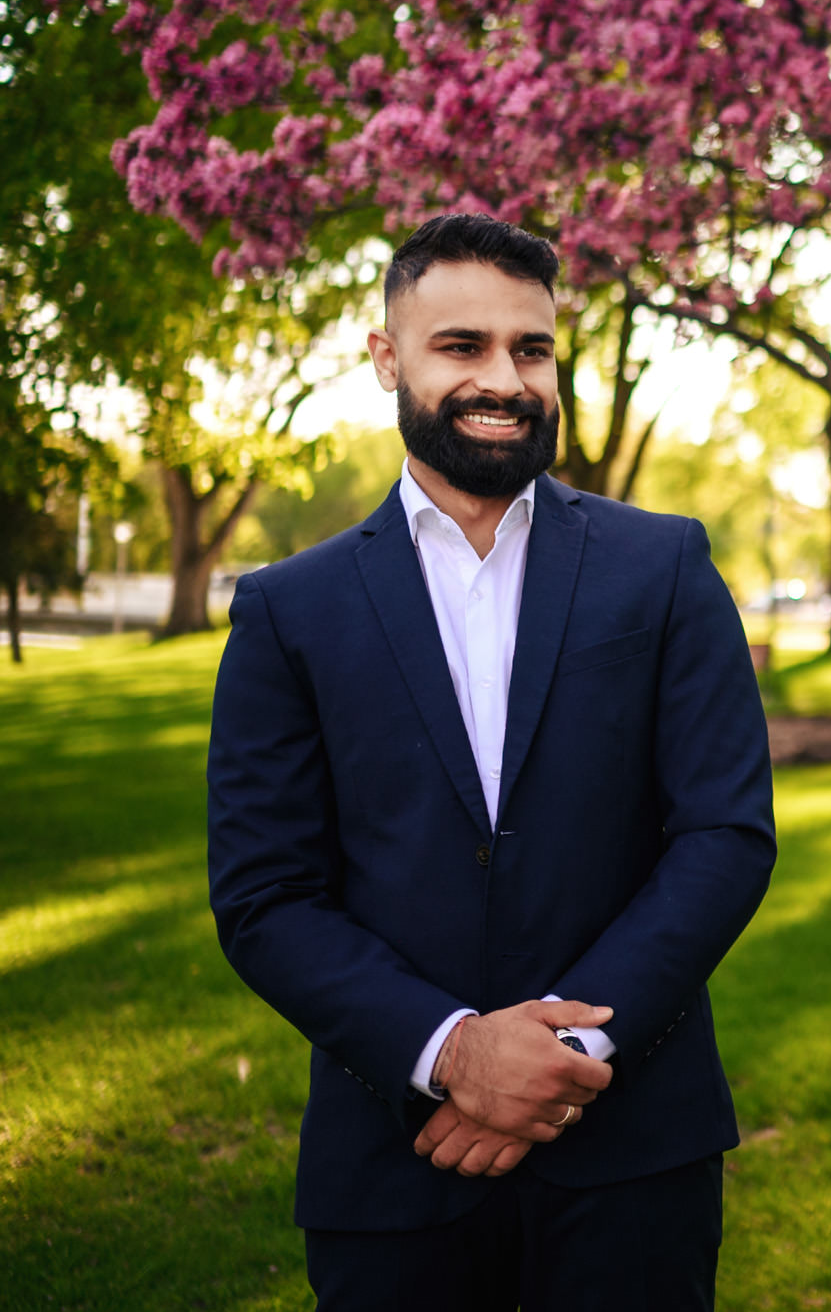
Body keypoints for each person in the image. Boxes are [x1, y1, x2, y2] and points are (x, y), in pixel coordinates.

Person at [207, 214, 778, 1310]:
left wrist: (560, 1055)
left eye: (532, 349)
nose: (505, 380)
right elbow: (265, 894)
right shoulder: (288, 610)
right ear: (388, 359)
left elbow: (724, 836)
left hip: (633, 1158)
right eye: (462, 346)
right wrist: (452, 1053)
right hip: (397, 1157)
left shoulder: (664, 566)